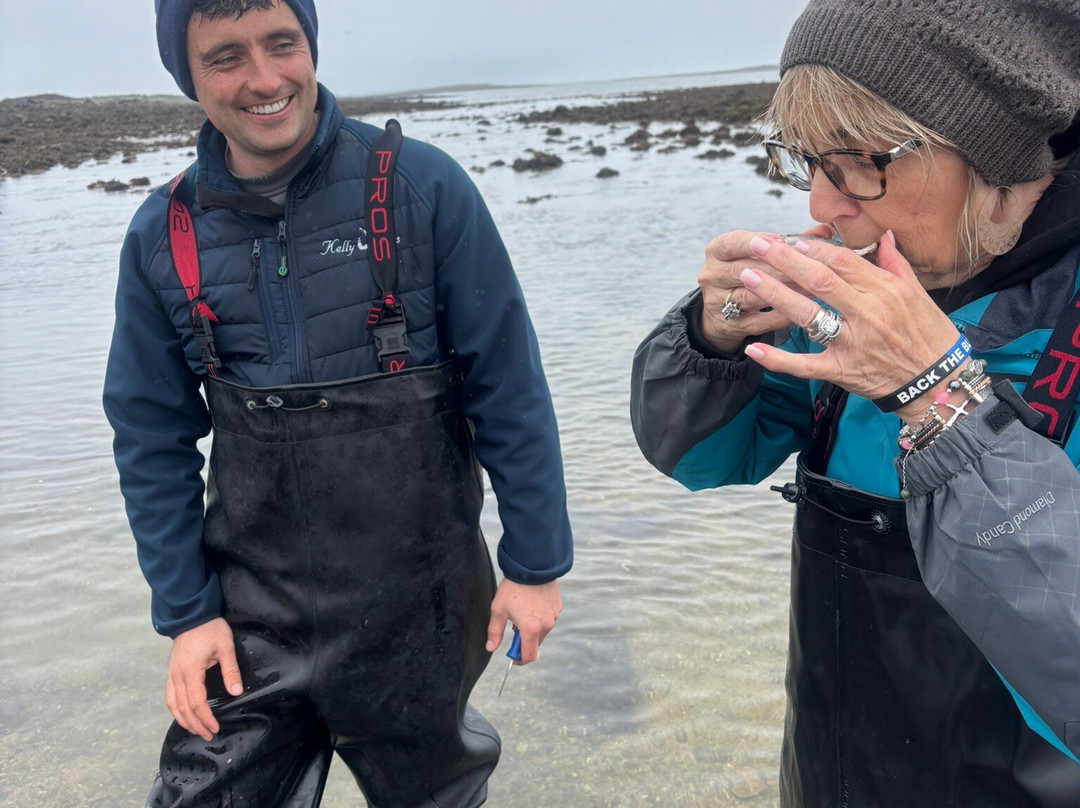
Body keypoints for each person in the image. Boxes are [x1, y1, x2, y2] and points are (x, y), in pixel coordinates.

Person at [103, 1, 572, 806]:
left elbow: (508, 382)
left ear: (310, 46)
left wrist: (535, 564)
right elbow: (150, 438)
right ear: (187, 75)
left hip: (423, 616)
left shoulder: (424, 187)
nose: (264, 78)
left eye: (283, 44)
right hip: (250, 626)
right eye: (226, 57)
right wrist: (186, 614)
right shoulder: (162, 234)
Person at [631, 0, 1080, 805]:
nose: (820, 205)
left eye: (858, 163)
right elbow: (692, 457)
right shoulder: (853, 294)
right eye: (807, 161)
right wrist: (713, 337)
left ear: (994, 154)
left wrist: (938, 394)